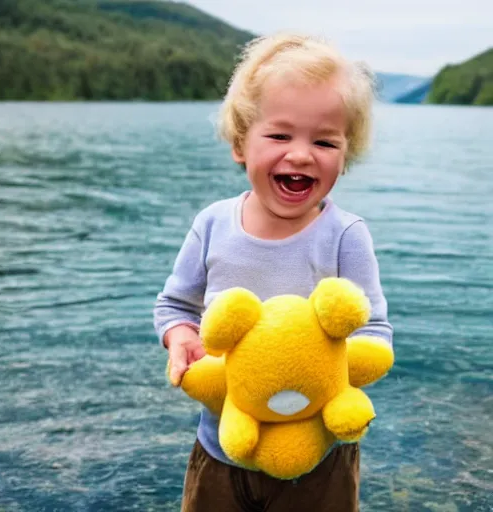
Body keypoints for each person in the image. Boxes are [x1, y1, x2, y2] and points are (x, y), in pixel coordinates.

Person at [153, 32, 393, 512]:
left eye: (325, 141)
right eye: (280, 135)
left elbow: (375, 331)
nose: (301, 154)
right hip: (223, 447)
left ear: (345, 156)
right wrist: (180, 337)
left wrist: (320, 372)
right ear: (241, 143)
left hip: (322, 458)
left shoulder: (345, 235)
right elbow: (175, 305)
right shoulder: (213, 224)